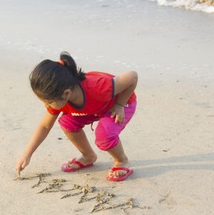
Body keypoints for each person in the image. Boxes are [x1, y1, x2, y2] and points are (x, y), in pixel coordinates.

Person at [15, 52, 137, 182]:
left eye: (48, 102)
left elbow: (132, 77)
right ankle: (88, 156)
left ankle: (121, 161)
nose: (46, 105)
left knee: (104, 135)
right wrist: (27, 155)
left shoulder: (98, 87)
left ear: (66, 93)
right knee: (67, 122)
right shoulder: (60, 96)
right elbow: (45, 126)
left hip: (121, 104)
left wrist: (119, 104)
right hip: (93, 108)